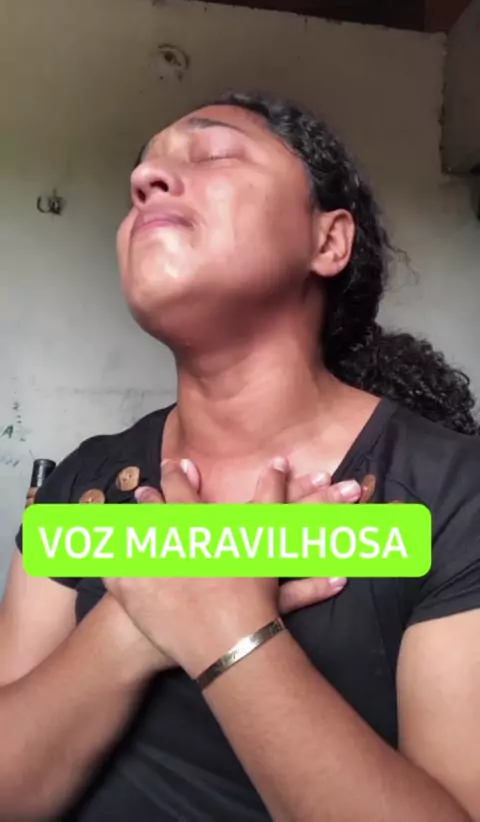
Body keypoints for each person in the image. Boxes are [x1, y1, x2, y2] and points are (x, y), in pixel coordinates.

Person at [1, 91, 479, 822]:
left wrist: (229, 629)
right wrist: (136, 617)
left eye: (214, 153)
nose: (144, 180)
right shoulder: (82, 486)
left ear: (328, 241)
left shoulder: (453, 494)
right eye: (142, 174)